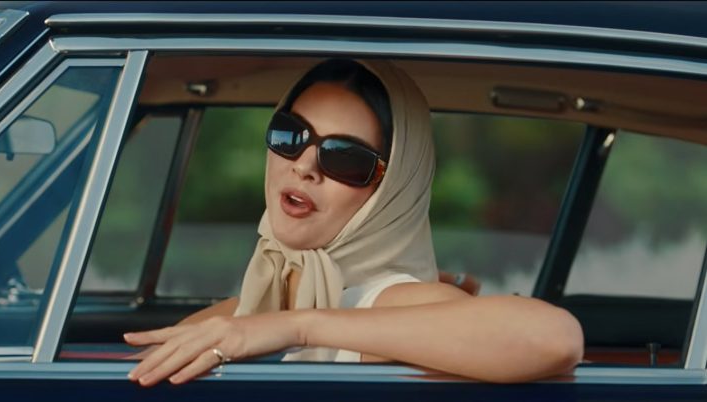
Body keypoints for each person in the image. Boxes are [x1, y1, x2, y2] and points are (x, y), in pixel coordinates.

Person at [124, 59, 583, 386]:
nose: (304, 165)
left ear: (392, 191)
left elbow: (554, 339)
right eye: (290, 135)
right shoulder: (269, 290)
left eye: (344, 157)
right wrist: (273, 318)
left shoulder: (388, 298)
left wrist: (299, 327)